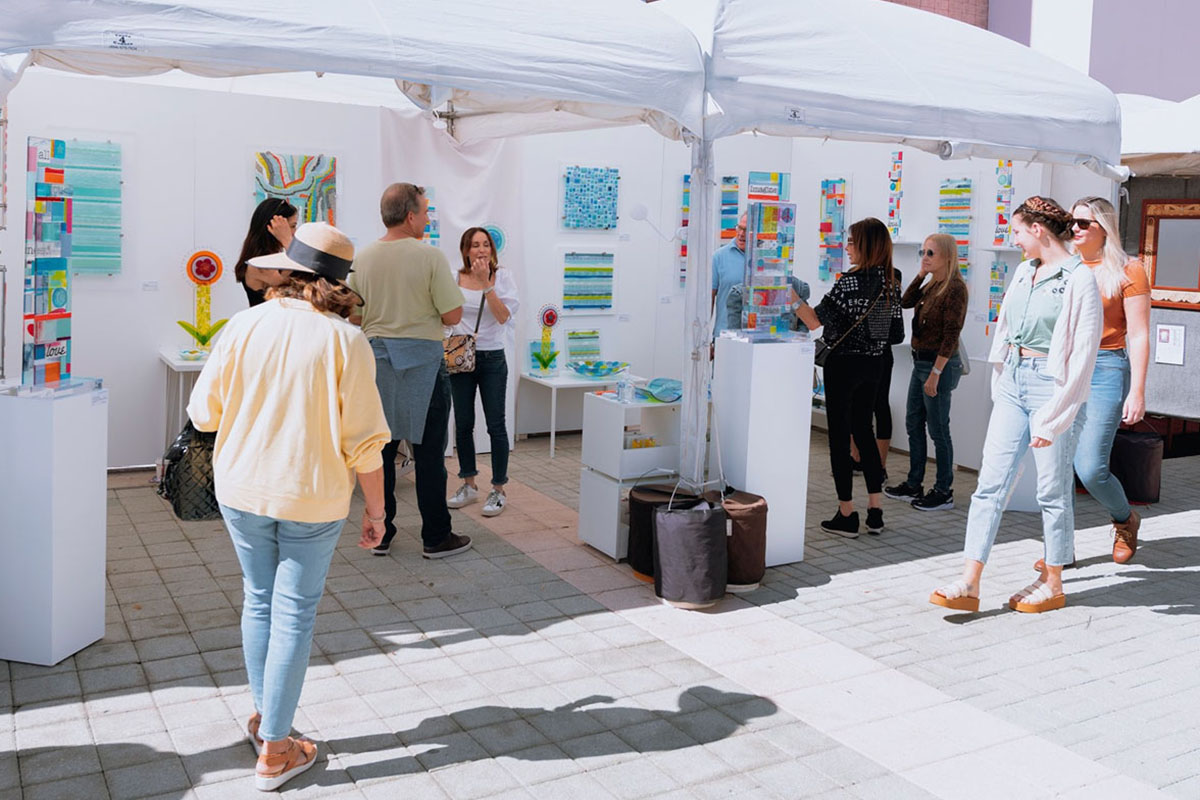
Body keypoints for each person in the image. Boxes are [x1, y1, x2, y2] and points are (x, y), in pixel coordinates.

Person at [187, 222, 390, 791]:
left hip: (242, 487)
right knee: (294, 613)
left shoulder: (244, 324)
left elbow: (205, 414)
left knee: (258, 598)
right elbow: (367, 444)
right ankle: (275, 750)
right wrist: (376, 514)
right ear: (338, 282)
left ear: (288, 272)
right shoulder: (347, 341)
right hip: (312, 494)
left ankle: (265, 720)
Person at [930, 197, 1101, 615]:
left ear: (1039, 231)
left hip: (1052, 386)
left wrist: (1058, 414)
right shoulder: (1025, 271)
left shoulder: (1080, 280)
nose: (1016, 240)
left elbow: (1083, 356)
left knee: (1051, 490)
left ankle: (1054, 580)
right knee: (990, 483)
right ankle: (969, 581)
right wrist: (1001, 378)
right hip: (1014, 381)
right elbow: (1005, 327)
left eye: (1020, 232)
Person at [348, 183, 471, 559]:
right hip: (423, 362)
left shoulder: (364, 257)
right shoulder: (429, 257)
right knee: (430, 454)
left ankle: (381, 532)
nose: (428, 218)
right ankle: (435, 536)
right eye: (426, 211)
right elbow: (453, 315)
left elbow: (353, 314)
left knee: (379, 452)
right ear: (411, 215)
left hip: (376, 363)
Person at [795, 217, 904, 538]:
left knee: (840, 439)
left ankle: (846, 513)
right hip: (874, 366)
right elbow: (895, 334)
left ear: (866, 245)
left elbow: (815, 321)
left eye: (852, 242)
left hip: (842, 367)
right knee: (865, 435)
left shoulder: (848, 283)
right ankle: (875, 510)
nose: (847, 247)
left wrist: (790, 296)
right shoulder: (891, 284)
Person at [1065, 196, 1150, 563]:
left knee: (1090, 467)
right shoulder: (1065, 267)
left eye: (1083, 223)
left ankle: (1125, 518)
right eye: (1072, 222)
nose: (1074, 229)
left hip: (1106, 367)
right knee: (1057, 465)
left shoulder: (1128, 269)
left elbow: (1140, 334)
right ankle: (1059, 551)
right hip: (1066, 368)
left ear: (1104, 228)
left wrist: (1139, 391)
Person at [886, 233, 968, 511]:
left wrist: (936, 373)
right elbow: (905, 301)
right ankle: (913, 483)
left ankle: (944, 490)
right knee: (913, 423)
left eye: (930, 253)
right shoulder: (933, 284)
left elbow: (951, 335)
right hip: (919, 362)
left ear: (946, 255)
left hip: (938, 365)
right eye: (922, 252)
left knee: (938, 430)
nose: (925, 257)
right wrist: (921, 274)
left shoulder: (955, 288)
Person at [446, 227, 521, 516]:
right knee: (463, 423)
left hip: (492, 358)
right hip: (461, 356)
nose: (481, 250)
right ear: (465, 250)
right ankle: (469, 484)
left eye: (486, 244)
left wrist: (486, 285)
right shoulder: (454, 277)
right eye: (475, 245)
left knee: (496, 425)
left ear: (492, 249)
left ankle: (498, 489)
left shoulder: (503, 277)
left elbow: (503, 317)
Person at [234, 198, 299, 306]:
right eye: (292, 226)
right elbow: (288, 284)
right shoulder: (259, 263)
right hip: (267, 321)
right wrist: (287, 241)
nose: (294, 232)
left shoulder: (277, 255)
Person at [711, 213, 747, 337]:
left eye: (747, 230)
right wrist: (704, 342)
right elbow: (709, 301)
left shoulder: (767, 260)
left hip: (757, 340)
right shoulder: (719, 257)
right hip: (725, 337)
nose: (741, 234)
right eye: (740, 228)